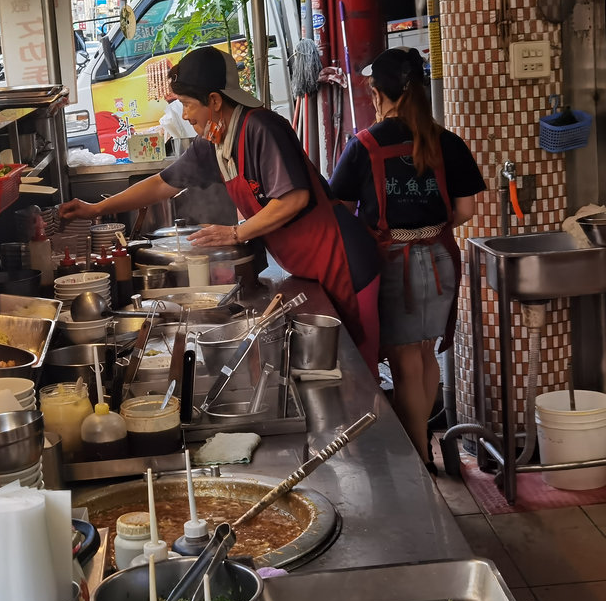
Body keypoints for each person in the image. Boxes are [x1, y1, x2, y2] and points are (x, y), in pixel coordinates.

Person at [59, 45, 381, 368]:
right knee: (342, 364)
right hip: (312, 268)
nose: (184, 115)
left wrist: (236, 233)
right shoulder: (214, 142)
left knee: (360, 372)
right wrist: (96, 210)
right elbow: (162, 183)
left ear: (214, 101)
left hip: (345, 262)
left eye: (187, 104)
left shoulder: (260, 129)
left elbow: (293, 199)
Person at [329, 47, 486, 474]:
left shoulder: (363, 146)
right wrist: (430, 228)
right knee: (424, 353)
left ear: (379, 94)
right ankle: (421, 446)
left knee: (402, 360)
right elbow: (466, 212)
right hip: (440, 258)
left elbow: (338, 208)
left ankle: (419, 454)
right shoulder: (446, 140)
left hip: (392, 261)